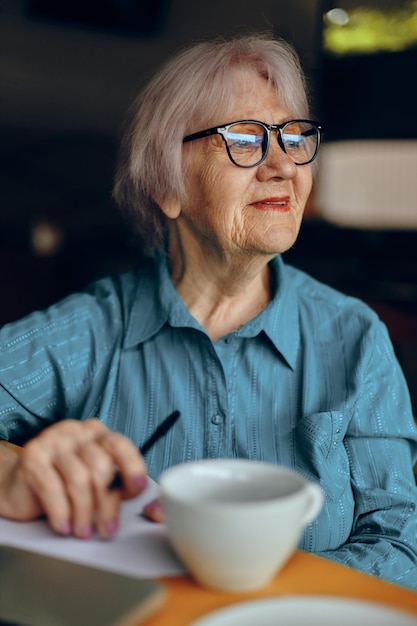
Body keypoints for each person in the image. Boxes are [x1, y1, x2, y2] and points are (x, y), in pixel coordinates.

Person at [1, 33, 417, 590]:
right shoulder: (93, 328)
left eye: (295, 137)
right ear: (166, 184)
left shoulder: (354, 337)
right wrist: (11, 476)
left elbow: (399, 546)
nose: (282, 165)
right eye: (244, 138)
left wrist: (253, 595)